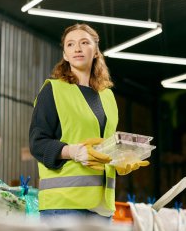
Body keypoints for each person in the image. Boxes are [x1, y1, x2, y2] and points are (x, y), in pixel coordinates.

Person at [29, 23, 149, 221]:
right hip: (63, 205)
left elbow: (107, 145)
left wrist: (120, 159)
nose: (77, 48)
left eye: (84, 43)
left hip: (102, 207)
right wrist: (74, 152)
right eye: (70, 44)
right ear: (65, 55)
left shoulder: (108, 96)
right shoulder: (53, 90)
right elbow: (37, 142)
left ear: (95, 51)